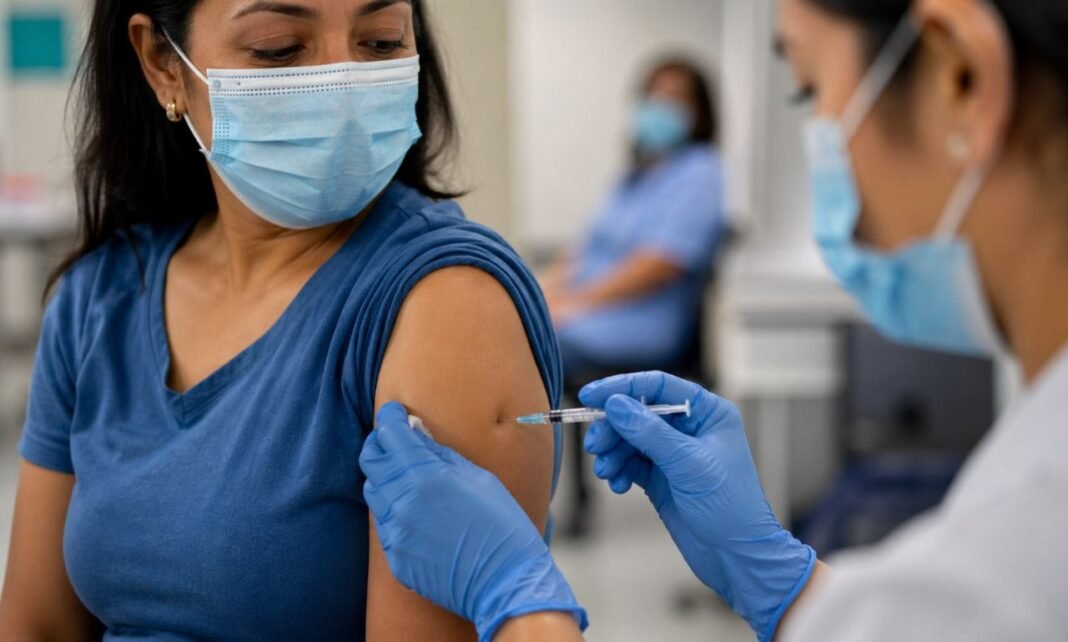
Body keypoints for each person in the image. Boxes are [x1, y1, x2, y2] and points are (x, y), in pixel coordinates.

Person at [359, 0, 1068, 640]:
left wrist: (516, 600)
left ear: (960, 78)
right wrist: (782, 582)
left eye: (810, 89)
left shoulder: (1024, 547)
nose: (819, 137)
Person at [0, 1, 563, 641]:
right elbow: (35, 625)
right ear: (163, 63)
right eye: (278, 48)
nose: (341, 85)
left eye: (381, 42)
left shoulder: (443, 301)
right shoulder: (101, 295)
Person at [543, 57, 726, 374]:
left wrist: (578, 303)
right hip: (586, 309)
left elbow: (660, 263)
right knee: (510, 321)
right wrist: (543, 293)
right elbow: (583, 248)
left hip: (634, 322)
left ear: (699, 112)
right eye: (653, 95)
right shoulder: (633, 177)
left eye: (674, 98)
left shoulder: (701, 171)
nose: (660, 106)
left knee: (524, 344)